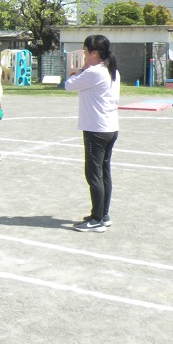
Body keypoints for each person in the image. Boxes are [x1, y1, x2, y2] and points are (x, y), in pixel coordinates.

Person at [64, 34, 120, 233]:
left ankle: (97, 219)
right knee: (103, 172)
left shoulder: (94, 72)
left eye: (86, 52)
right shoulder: (111, 70)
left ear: (94, 53)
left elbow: (69, 85)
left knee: (93, 173)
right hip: (110, 128)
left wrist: (78, 71)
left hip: (96, 129)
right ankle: (103, 214)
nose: (85, 55)